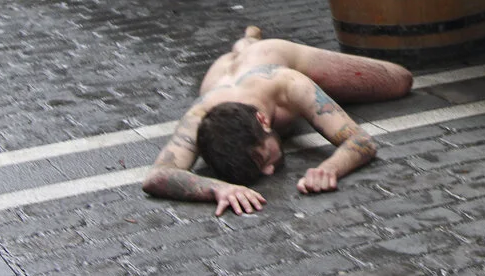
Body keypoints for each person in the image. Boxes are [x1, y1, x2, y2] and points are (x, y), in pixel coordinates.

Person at [142, 26, 412, 216]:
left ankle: (250, 42)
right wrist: (216, 188)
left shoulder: (287, 83)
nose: (270, 172)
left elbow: (361, 140)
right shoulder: (200, 114)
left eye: (263, 159)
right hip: (225, 71)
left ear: (262, 120)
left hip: (275, 56)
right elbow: (158, 176)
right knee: (244, 52)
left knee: (400, 80)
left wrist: (329, 169)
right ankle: (245, 43)